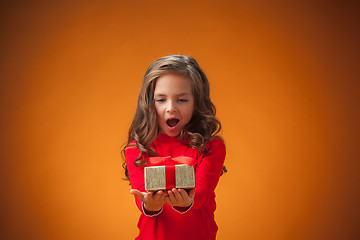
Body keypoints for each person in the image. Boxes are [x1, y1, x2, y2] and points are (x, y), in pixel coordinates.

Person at [123, 55, 226, 240]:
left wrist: (188, 201)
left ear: (196, 103)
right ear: (148, 103)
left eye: (182, 100)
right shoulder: (136, 149)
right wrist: (150, 205)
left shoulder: (211, 147)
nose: (171, 108)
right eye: (161, 100)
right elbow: (142, 200)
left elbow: (201, 194)